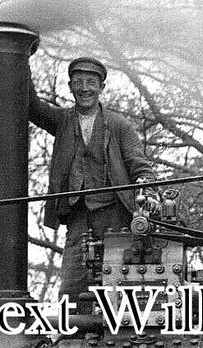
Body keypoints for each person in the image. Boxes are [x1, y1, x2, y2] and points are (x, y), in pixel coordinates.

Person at [29, 56, 155, 299]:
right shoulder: (62, 120)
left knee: (120, 284)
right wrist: (24, 55)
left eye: (90, 82)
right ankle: (73, 335)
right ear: (70, 87)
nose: (84, 88)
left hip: (115, 215)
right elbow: (31, 107)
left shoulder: (119, 125)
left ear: (101, 88)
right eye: (78, 82)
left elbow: (139, 165)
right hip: (78, 216)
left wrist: (147, 190)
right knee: (72, 289)